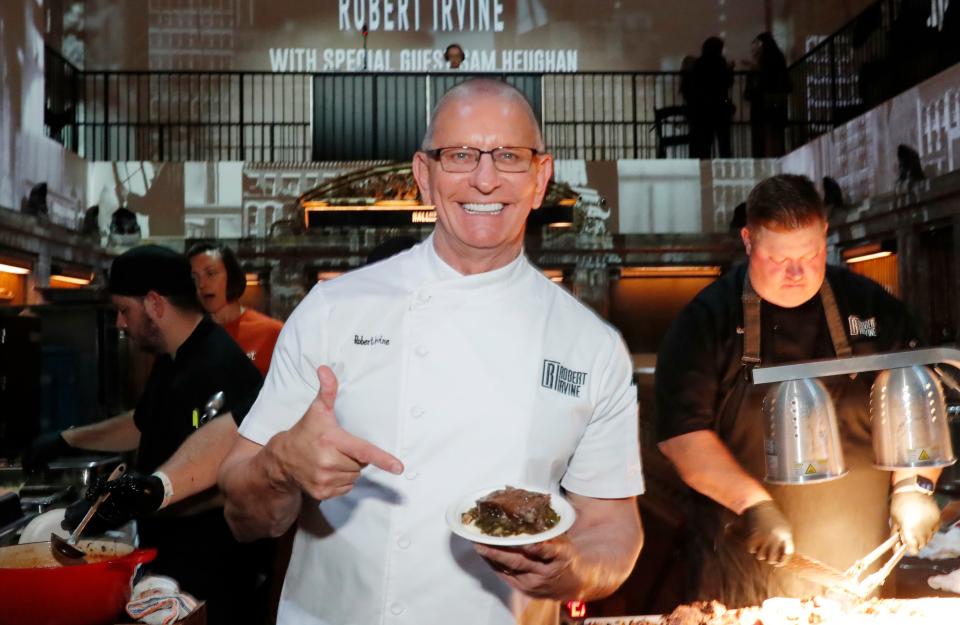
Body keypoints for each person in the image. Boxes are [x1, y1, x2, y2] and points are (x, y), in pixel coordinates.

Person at [218, 78, 645, 625]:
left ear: (541, 178)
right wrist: (279, 466)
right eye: (460, 155)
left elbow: (613, 527)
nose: (485, 180)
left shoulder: (592, 347)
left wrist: (571, 570)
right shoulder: (333, 310)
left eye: (510, 157)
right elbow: (241, 514)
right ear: (424, 176)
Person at [655, 174, 942, 607]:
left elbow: (914, 404)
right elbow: (683, 438)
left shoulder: (874, 308)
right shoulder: (704, 323)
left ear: (825, 234)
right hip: (742, 567)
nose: (795, 273)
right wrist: (754, 504)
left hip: (859, 565)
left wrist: (913, 487)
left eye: (810, 255)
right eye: (777, 258)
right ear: (749, 241)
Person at [22, 245, 267, 625]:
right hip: (171, 562)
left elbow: (237, 482)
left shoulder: (216, 366)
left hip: (211, 574)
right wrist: (67, 439)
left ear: (154, 303)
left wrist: (141, 498)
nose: (121, 323)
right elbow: (142, 424)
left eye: (125, 310)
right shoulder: (176, 359)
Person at [187, 241, 283, 377]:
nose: (201, 284)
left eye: (210, 273)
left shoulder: (273, 333)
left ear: (231, 276)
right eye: (194, 278)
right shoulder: (189, 338)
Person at [744, 33, 791, 158]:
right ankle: (776, 158)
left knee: (763, 137)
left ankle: (766, 159)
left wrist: (754, 70)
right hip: (776, 105)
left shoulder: (765, 60)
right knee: (775, 137)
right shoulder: (778, 57)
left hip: (763, 105)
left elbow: (766, 80)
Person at [688, 36, 734, 159]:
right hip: (720, 107)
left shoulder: (699, 63)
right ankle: (726, 167)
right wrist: (730, 71)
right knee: (724, 142)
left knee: (705, 143)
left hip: (703, 108)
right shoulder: (721, 62)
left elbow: (695, 85)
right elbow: (727, 83)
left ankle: (705, 169)